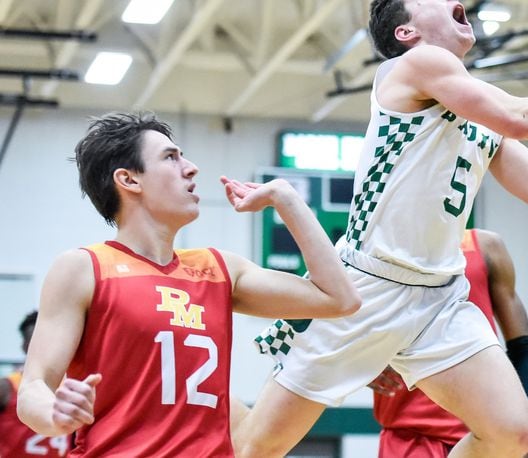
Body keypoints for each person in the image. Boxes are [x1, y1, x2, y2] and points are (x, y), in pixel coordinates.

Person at [235, 1, 528, 456]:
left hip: (438, 297)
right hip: (366, 285)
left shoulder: (481, 120)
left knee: (513, 434)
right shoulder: (413, 65)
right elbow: (518, 116)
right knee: (258, 448)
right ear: (407, 32)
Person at [16, 112, 361, 457]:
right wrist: (53, 413)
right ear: (129, 180)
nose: (191, 167)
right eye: (170, 157)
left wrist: (287, 199)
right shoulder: (83, 268)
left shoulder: (220, 268)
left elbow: (338, 298)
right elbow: (34, 386)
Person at [368, 229, 528, 457]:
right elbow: (338, 323)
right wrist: (359, 364)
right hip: (409, 434)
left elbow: (523, 347)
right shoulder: (380, 241)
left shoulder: (485, 245)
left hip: (487, 433)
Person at [1, 311, 71, 457]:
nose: (42, 346)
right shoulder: (6, 387)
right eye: (35, 340)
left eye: (48, 339)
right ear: (25, 345)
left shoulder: (74, 386)